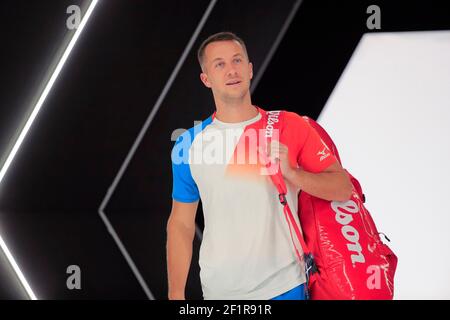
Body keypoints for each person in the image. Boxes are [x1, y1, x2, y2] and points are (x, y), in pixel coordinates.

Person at [166, 32, 352, 300]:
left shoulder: (289, 125)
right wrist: (175, 293)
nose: (231, 70)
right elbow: (181, 224)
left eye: (237, 60)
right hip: (220, 292)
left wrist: (293, 174)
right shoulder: (188, 143)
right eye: (219, 64)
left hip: (286, 285)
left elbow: (342, 188)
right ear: (206, 79)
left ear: (250, 69)